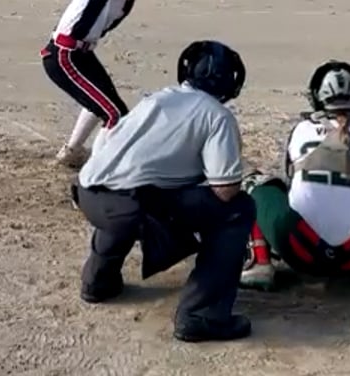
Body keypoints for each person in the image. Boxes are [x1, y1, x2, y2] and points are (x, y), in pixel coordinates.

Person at [72, 40, 256, 344]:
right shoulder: (217, 115)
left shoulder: (155, 99)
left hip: (87, 192)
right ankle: (201, 315)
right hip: (128, 208)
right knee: (239, 209)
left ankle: (98, 281)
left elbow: (112, 147)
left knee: (129, 189)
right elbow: (225, 190)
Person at [240, 60, 350, 298]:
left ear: (316, 96)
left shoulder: (301, 130)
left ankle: (260, 265)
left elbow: (295, 188)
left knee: (257, 184)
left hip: (298, 249)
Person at [43, 0, 184, 169]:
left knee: (104, 99)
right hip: (65, 55)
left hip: (81, 54)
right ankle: (98, 171)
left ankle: (72, 152)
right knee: (115, 114)